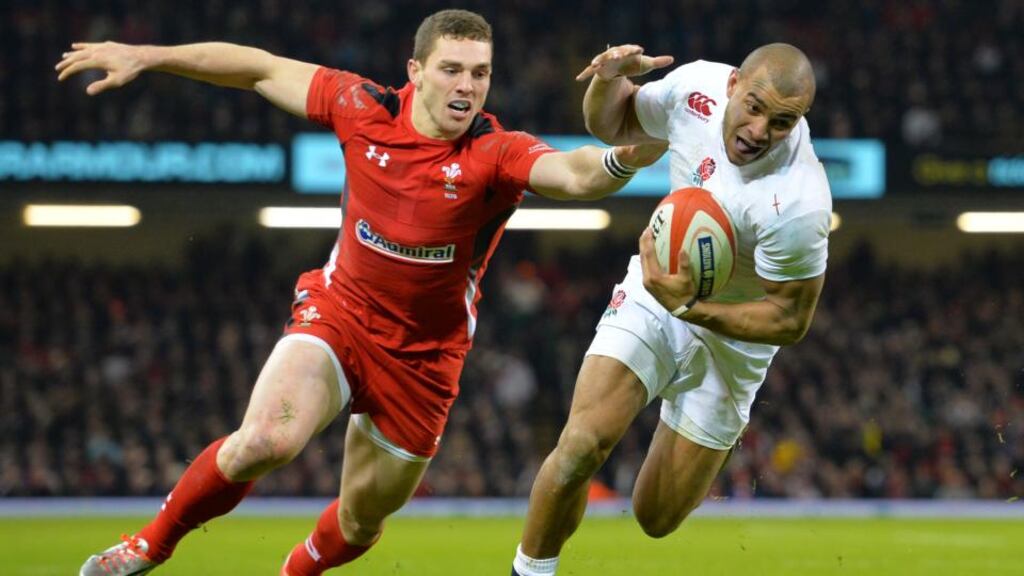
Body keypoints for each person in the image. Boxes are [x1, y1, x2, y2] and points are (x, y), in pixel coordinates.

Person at [56, 10, 666, 576]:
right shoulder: (360, 105)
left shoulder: (494, 152)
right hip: (339, 315)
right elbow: (258, 67)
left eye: (480, 73)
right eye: (451, 68)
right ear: (416, 71)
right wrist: (149, 55)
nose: (467, 85)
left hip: (425, 361)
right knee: (264, 441)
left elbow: (574, 173)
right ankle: (149, 545)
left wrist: (630, 155)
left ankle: (296, 570)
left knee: (360, 520)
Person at [511, 43, 831, 575]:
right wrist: (606, 82)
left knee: (655, 516)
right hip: (656, 287)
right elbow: (614, 124)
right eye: (753, 106)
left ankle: (701, 427)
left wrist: (694, 309)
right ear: (732, 86)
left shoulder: (799, 202)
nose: (758, 130)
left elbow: (789, 320)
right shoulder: (697, 87)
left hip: (735, 338)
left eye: (781, 121)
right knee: (580, 447)